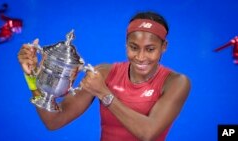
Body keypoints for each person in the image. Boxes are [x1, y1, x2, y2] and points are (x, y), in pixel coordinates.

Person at [17, 11, 190, 141]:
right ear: (126, 44)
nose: (140, 57)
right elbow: (54, 121)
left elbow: (148, 133)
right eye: (134, 47)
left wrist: (104, 94)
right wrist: (33, 77)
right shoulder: (104, 73)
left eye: (150, 49)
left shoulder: (176, 82)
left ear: (164, 47)